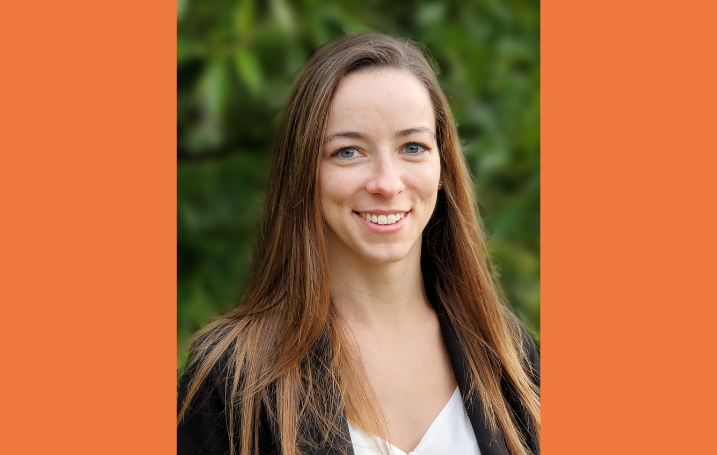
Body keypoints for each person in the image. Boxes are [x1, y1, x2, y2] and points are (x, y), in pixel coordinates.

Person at [177, 33, 540, 455]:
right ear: (304, 172)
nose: (387, 183)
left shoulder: (510, 358)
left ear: (443, 166)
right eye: (348, 152)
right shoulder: (232, 380)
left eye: (412, 147)